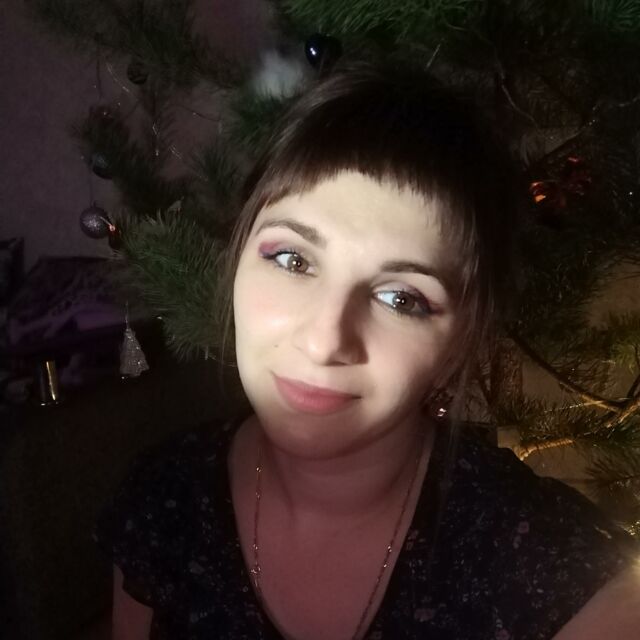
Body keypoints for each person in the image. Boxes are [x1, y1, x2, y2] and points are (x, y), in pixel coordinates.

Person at [94, 63, 640, 640]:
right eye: (292, 259)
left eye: (402, 298)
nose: (324, 341)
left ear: (461, 342)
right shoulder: (163, 500)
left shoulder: (544, 566)